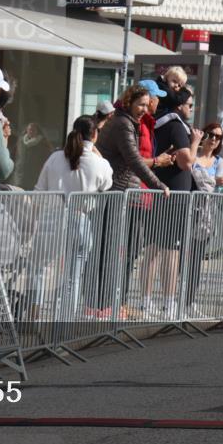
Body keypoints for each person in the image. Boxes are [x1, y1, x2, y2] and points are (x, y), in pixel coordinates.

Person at [96, 85, 169, 320]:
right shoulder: (122, 124)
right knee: (109, 251)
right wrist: (159, 184)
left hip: (122, 191)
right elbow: (134, 161)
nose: (144, 109)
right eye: (140, 104)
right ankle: (104, 305)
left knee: (123, 248)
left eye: (147, 105)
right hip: (114, 192)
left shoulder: (129, 122)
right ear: (128, 102)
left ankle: (115, 303)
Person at [36, 116, 114, 318]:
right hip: (80, 219)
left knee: (41, 268)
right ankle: (64, 320)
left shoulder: (54, 158)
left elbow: (40, 188)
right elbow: (107, 185)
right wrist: (96, 151)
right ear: (95, 134)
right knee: (73, 274)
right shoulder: (99, 163)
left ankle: (33, 314)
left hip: (51, 217)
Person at [144, 88, 202, 319]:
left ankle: (147, 301)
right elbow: (187, 161)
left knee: (154, 249)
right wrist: (195, 141)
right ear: (179, 106)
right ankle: (168, 303)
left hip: (160, 191)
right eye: (190, 104)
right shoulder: (176, 125)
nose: (191, 108)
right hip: (174, 195)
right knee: (170, 252)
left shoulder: (159, 122)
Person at [185, 122, 223, 314]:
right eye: (211, 134)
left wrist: (218, 182)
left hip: (205, 215)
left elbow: (216, 187)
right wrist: (213, 180)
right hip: (187, 209)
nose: (213, 139)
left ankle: (189, 301)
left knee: (196, 260)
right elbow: (190, 170)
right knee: (178, 258)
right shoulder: (193, 154)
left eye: (218, 137)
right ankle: (172, 300)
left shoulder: (219, 162)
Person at [137, 79, 174, 174]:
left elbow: (144, 155)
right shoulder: (138, 122)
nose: (159, 101)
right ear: (151, 101)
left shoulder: (146, 122)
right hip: (135, 182)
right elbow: (132, 159)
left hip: (140, 180)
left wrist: (160, 159)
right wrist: (158, 161)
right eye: (158, 97)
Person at [17, 122, 51, 190]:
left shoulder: (43, 143)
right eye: (29, 129)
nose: (31, 131)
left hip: (34, 176)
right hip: (21, 176)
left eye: (33, 130)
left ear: (37, 131)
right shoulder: (21, 141)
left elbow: (47, 158)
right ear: (27, 130)